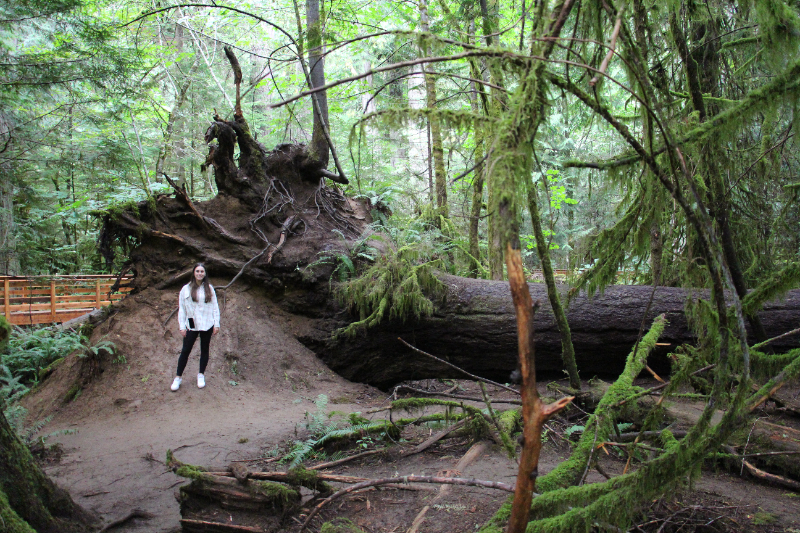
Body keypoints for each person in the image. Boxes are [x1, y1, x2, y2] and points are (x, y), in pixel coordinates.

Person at [171, 263, 220, 391]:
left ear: (205, 274)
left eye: (202, 271)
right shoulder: (185, 289)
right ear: (194, 273)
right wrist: (182, 326)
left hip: (207, 323)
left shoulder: (209, 289)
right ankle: (178, 377)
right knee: (185, 350)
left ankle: (201, 375)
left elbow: (215, 307)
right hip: (191, 324)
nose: (199, 273)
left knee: (204, 349)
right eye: (197, 271)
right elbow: (182, 309)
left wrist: (216, 324)